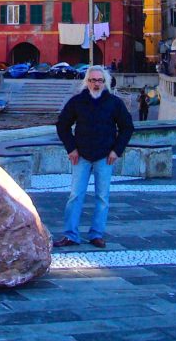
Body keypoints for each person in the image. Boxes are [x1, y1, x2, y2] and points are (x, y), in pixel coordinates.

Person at [54, 65, 134, 249]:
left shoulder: (114, 103)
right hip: (81, 155)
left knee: (102, 197)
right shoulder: (77, 101)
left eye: (99, 80)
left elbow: (127, 127)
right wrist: (71, 148)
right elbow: (62, 125)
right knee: (75, 195)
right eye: (92, 80)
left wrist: (116, 151)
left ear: (105, 82)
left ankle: (96, 234)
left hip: (105, 156)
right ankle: (71, 235)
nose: (96, 84)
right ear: (87, 82)